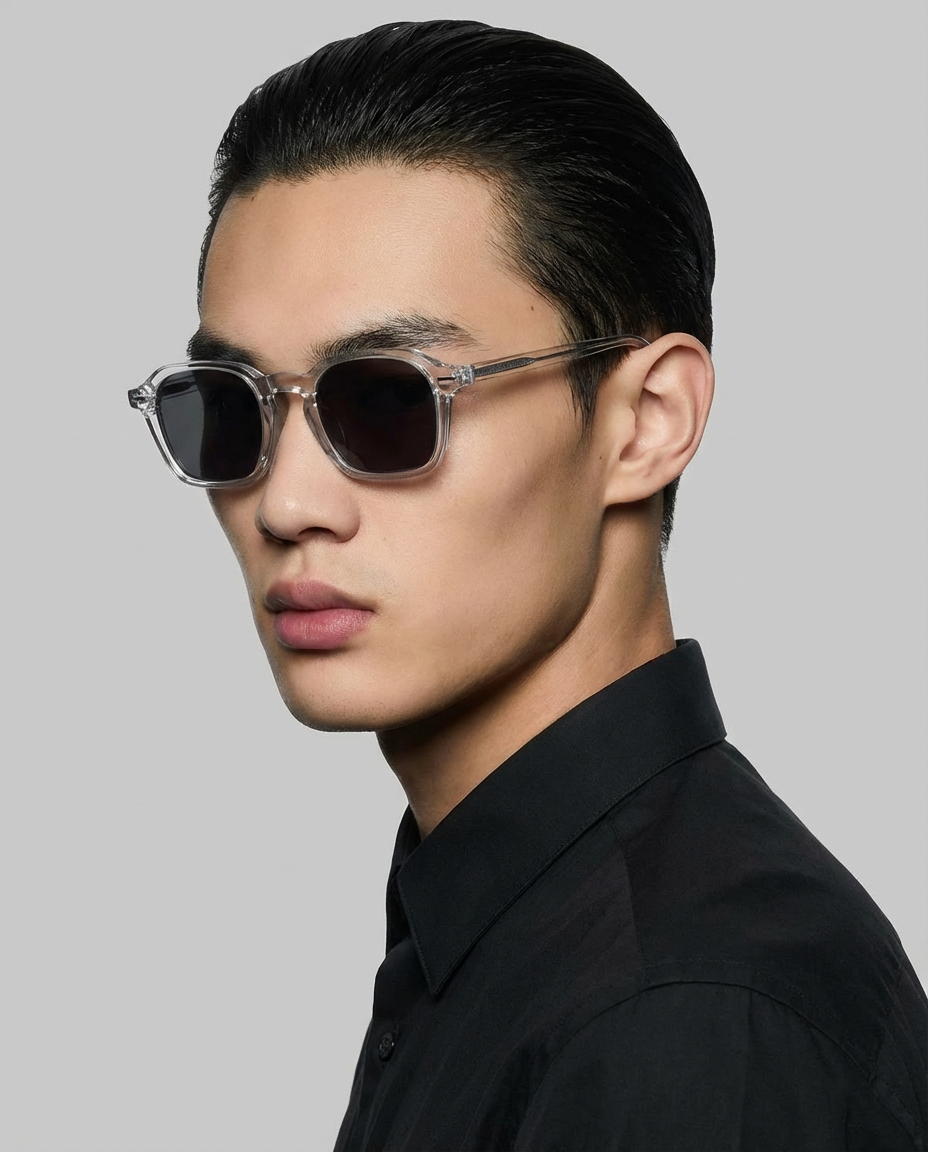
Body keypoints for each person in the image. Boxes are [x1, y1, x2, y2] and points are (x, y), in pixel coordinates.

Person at [129, 19, 927, 1150]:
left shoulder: (683, 1019)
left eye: (389, 400)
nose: (285, 501)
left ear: (645, 422)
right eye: (231, 407)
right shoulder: (509, 923)